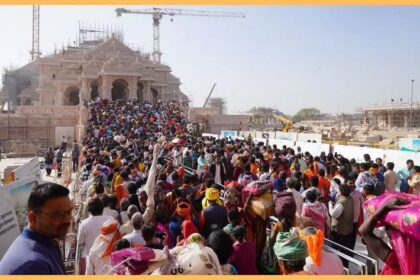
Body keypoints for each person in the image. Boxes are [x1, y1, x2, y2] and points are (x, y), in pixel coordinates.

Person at [0, 183, 73, 274]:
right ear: (33, 218)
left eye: (69, 212)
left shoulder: (46, 242)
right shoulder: (33, 265)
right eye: (57, 215)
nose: (67, 220)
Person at [77, 197, 113, 274]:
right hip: (109, 260)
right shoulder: (111, 220)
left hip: (92, 263)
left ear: (89, 210)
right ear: (102, 208)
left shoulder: (84, 224)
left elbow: (80, 242)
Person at [328, 184, 354, 267]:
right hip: (349, 229)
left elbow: (333, 214)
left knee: (335, 250)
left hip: (340, 231)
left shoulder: (341, 203)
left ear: (341, 192)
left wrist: (330, 205)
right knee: (345, 252)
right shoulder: (350, 199)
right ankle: (345, 268)